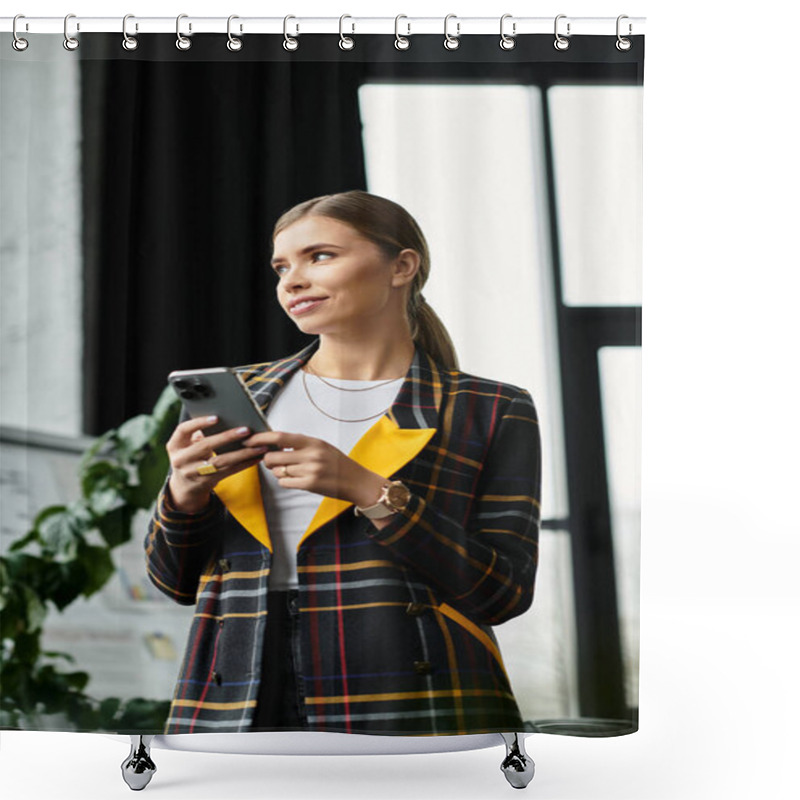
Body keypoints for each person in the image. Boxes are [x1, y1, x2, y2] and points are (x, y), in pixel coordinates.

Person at [145, 190, 541, 736]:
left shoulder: (489, 408)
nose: (293, 280)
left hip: (412, 684)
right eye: (282, 266)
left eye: (320, 256)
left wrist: (369, 491)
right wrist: (183, 495)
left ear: (402, 266)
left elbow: (503, 593)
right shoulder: (244, 394)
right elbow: (173, 582)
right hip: (232, 686)